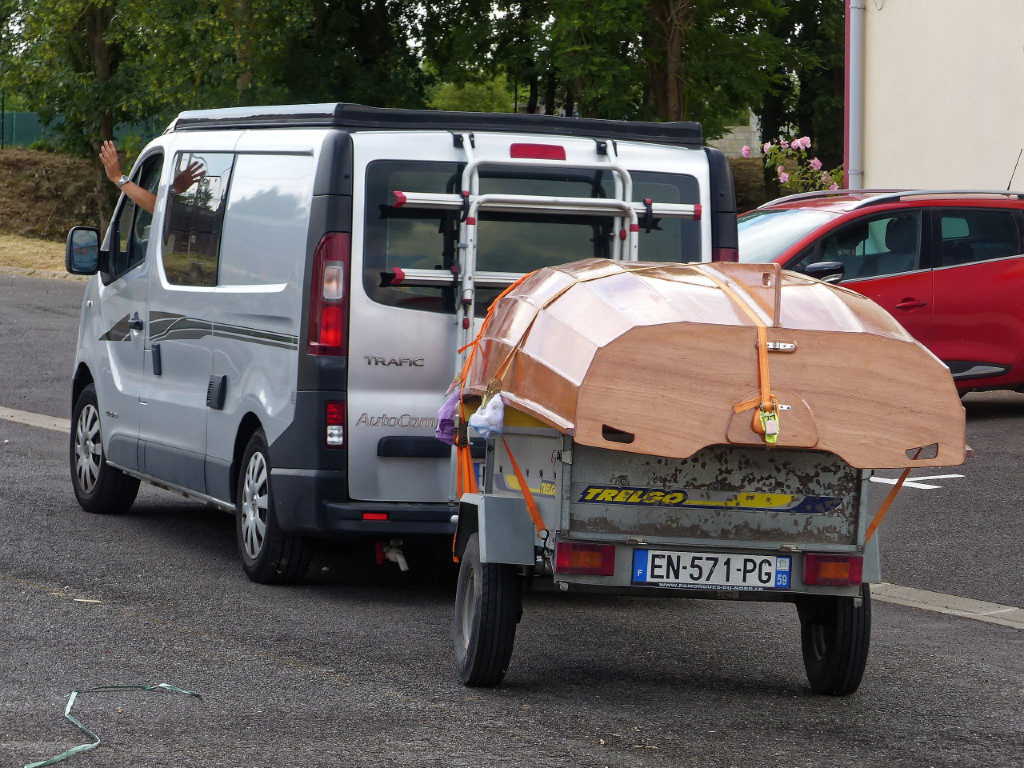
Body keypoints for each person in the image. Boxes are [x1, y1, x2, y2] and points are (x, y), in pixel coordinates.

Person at [99, 139, 205, 214]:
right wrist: (174, 189)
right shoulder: (210, 212)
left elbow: (158, 206)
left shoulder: (206, 215)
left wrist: (117, 177)